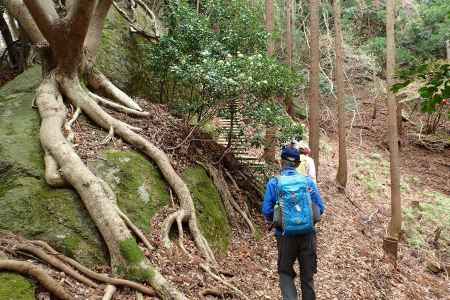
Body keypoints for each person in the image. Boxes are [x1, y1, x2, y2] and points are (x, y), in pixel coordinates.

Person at [262, 147, 325, 300]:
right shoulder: (308, 182)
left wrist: (277, 220)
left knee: (285, 272)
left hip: (284, 236)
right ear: (297, 164)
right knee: (307, 277)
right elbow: (320, 209)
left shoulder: (274, 183)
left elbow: (267, 210)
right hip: (308, 236)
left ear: (281, 162)